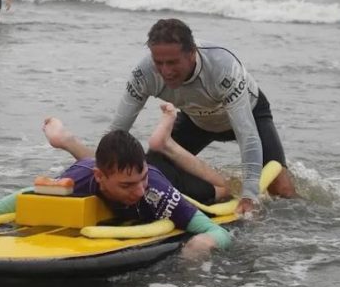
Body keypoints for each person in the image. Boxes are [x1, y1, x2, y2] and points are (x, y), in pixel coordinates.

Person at [0, 119, 231, 257]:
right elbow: (24, 198)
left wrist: (205, 242)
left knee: (220, 191)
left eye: (140, 180)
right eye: (127, 185)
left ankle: (165, 143)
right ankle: (67, 140)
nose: (138, 191)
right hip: (95, 167)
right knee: (87, 166)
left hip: (169, 176)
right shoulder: (80, 179)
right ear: (100, 177)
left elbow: (217, 231)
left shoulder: (156, 192)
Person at [109, 18, 297, 216]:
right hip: (196, 120)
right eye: (159, 62)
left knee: (281, 190)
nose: (165, 71)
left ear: (192, 53)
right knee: (155, 168)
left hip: (250, 115)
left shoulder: (222, 67)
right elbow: (116, 131)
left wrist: (249, 195)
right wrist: (103, 174)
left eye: (172, 62)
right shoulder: (144, 73)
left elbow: (247, 136)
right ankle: (217, 192)